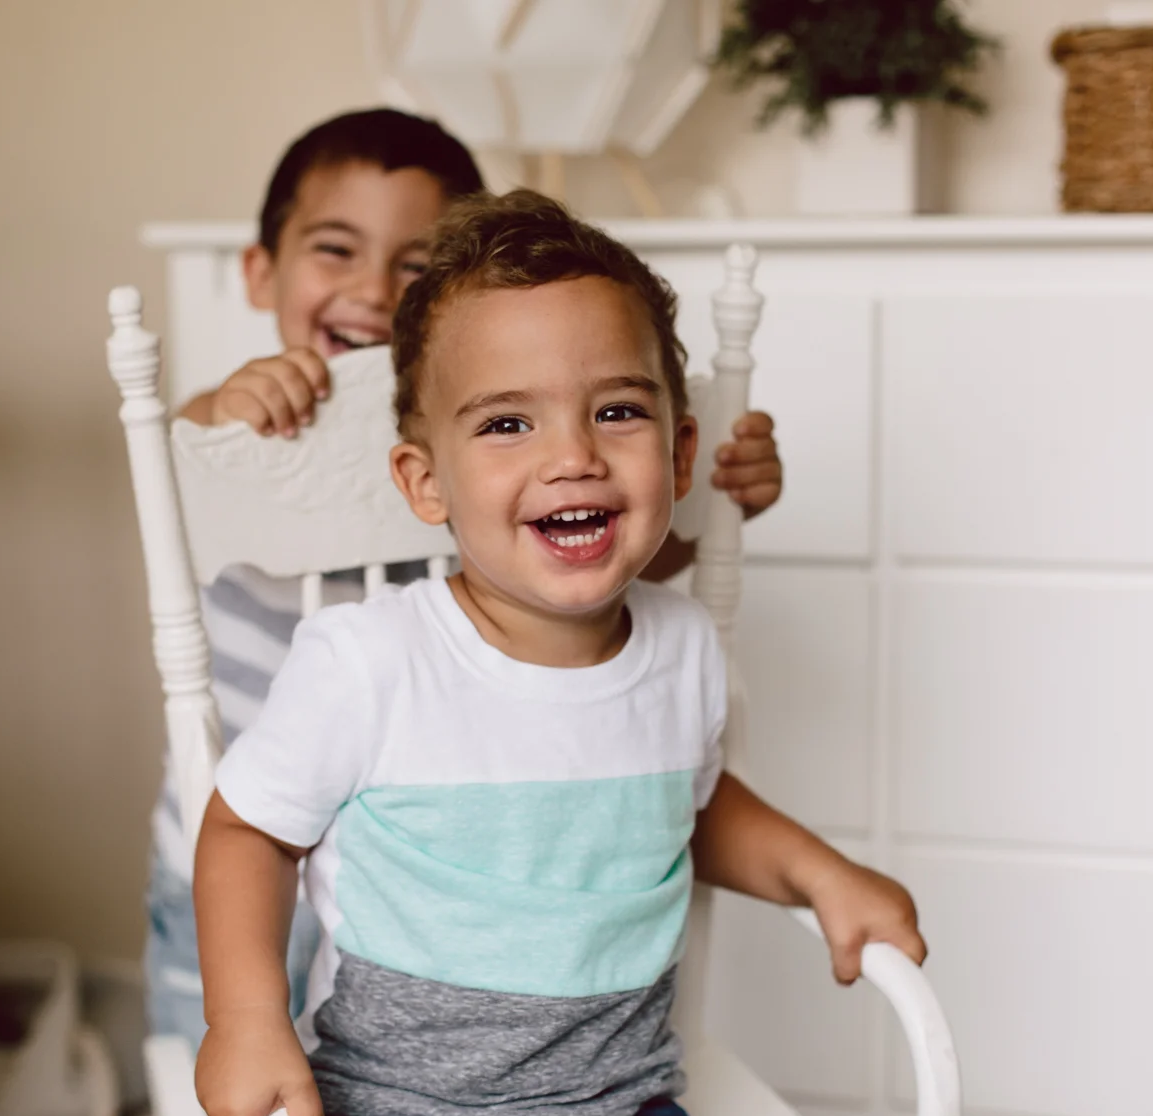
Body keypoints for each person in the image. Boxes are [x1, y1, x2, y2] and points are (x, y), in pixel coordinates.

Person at [191, 190, 925, 1116]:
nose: (573, 455)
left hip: (626, 1110)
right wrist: (247, 1017)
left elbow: (688, 805)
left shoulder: (681, 647)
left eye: (617, 411)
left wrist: (821, 874)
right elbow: (248, 829)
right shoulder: (371, 662)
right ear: (425, 481)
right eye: (507, 424)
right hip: (406, 1115)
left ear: (680, 454)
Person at [144, 108, 785, 1053]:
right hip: (245, 841)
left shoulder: (480, 439)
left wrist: (718, 500)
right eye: (335, 250)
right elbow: (183, 463)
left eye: (415, 265)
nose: (373, 290)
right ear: (261, 271)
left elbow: (579, 571)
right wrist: (223, 409)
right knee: (232, 1073)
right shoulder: (249, 409)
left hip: (432, 859)